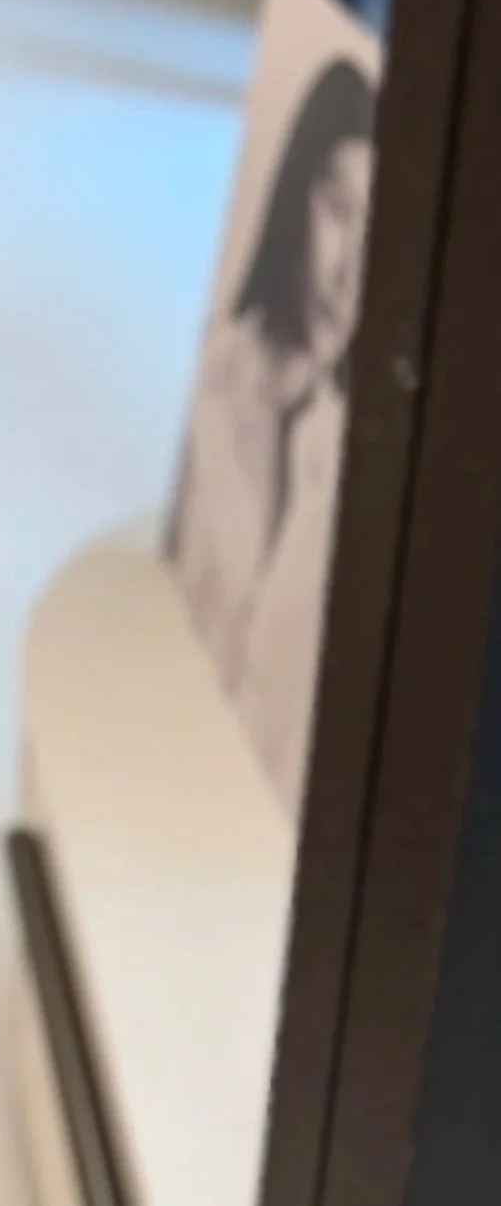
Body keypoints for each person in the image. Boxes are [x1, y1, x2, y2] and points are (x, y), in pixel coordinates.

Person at [169, 55, 377, 816]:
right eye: (339, 208)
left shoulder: (358, 445)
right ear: (298, 192)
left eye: (381, 230)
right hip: (170, 757)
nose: (351, 274)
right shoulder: (218, 380)